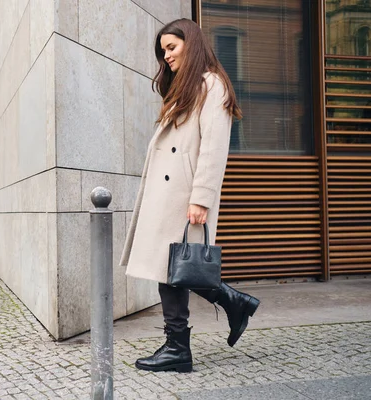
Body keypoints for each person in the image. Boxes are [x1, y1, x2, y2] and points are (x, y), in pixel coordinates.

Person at [120, 19, 260, 373]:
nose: (165, 56)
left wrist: (202, 198)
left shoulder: (212, 85)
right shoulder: (186, 87)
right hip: (169, 193)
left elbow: (213, 148)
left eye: (171, 47)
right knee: (170, 270)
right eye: (163, 50)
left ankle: (180, 345)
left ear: (191, 43)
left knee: (174, 268)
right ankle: (226, 309)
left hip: (184, 195)